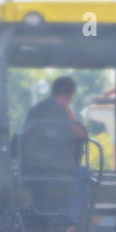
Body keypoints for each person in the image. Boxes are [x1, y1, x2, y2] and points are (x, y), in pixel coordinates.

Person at [20, 76, 90, 220]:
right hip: (62, 173)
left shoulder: (34, 111)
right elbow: (81, 135)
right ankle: (72, 222)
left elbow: (23, 139)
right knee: (87, 178)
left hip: (30, 173)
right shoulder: (63, 112)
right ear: (71, 94)